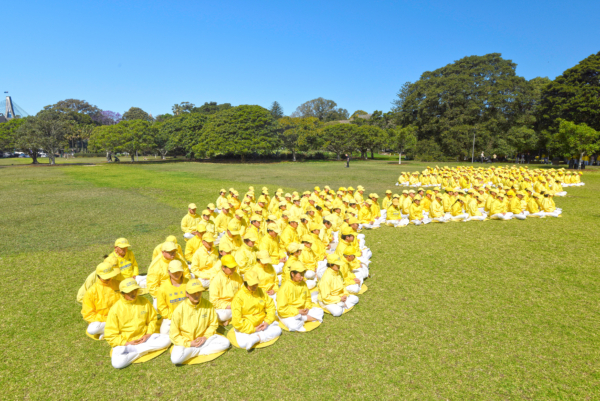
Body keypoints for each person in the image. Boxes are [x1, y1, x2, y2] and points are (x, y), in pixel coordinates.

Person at [104, 278, 171, 369]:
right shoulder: (115, 309)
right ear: (122, 293)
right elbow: (110, 334)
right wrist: (126, 343)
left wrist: (148, 334)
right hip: (127, 342)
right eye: (129, 292)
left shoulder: (144, 301)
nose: (133, 293)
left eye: (135, 290)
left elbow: (152, 319)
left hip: (145, 338)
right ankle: (137, 349)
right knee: (117, 364)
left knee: (168, 339)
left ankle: (135, 351)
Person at [169, 279, 231, 365]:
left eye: (199, 292)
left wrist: (205, 337)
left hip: (204, 339)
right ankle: (199, 350)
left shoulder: (208, 305)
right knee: (176, 360)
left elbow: (213, 325)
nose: (197, 295)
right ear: (187, 293)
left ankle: (194, 351)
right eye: (193, 292)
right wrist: (190, 343)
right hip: (186, 342)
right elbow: (174, 335)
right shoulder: (179, 310)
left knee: (226, 343)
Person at [231, 270, 282, 351]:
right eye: (252, 284)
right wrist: (253, 329)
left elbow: (271, 306)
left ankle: (257, 338)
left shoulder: (261, 291)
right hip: (247, 326)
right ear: (246, 283)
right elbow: (237, 321)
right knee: (242, 343)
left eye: (256, 283)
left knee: (278, 330)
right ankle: (260, 335)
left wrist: (266, 322)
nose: (255, 286)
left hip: (262, 323)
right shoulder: (238, 297)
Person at [277, 261, 324, 332]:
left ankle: (302, 318)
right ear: (292, 274)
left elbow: (308, 298)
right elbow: (281, 309)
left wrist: (307, 307)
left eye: (303, 275)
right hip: (290, 313)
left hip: (302, 311)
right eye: (300, 275)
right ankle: (304, 318)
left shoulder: (303, 284)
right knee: (293, 326)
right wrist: (297, 311)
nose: (302, 278)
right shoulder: (284, 288)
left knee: (320, 311)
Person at [81, 262, 121, 338]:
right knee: (92, 330)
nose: (108, 279)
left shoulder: (118, 284)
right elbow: (88, 315)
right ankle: (115, 329)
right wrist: (108, 319)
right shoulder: (91, 292)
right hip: (104, 321)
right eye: (105, 277)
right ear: (98, 276)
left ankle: (109, 331)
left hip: (120, 316)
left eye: (109, 276)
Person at [156, 260, 189, 335]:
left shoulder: (188, 283)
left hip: (188, 314)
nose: (177, 274)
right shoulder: (163, 288)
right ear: (169, 272)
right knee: (164, 333)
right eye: (174, 272)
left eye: (179, 271)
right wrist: (172, 316)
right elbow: (161, 307)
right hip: (171, 317)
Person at [209, 255, 243, 326]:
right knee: (222, 316)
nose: (233, 269)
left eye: (234, 267)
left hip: (236, 303)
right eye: (231, 268)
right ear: (223, 268)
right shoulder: (216, 280)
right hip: (224, 308)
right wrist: (228, 306)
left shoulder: (236, 276)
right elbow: (213, 301)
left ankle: (231, 317)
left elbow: (242, 291)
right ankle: (234, 316)